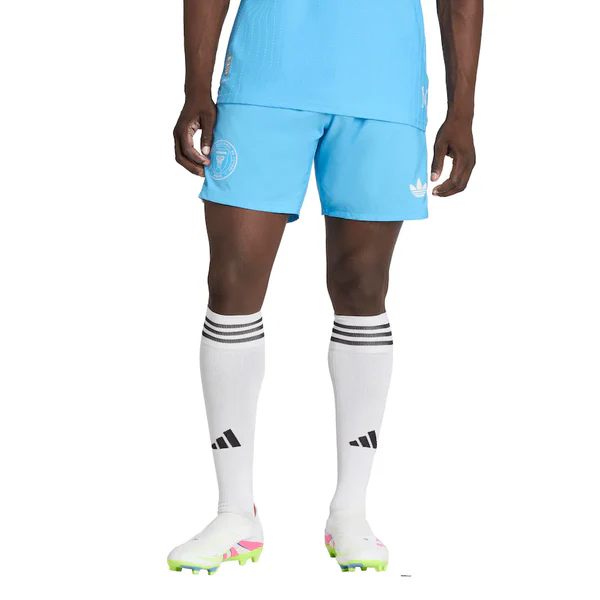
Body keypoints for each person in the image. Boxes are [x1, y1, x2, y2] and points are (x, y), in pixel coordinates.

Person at [167, 0, 483, 575]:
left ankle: (351, 511)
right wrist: (195, 85)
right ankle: (235, 512)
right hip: (265, 74)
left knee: (363, 287)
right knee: (232, 281)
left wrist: (462, 111)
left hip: (384, 83)